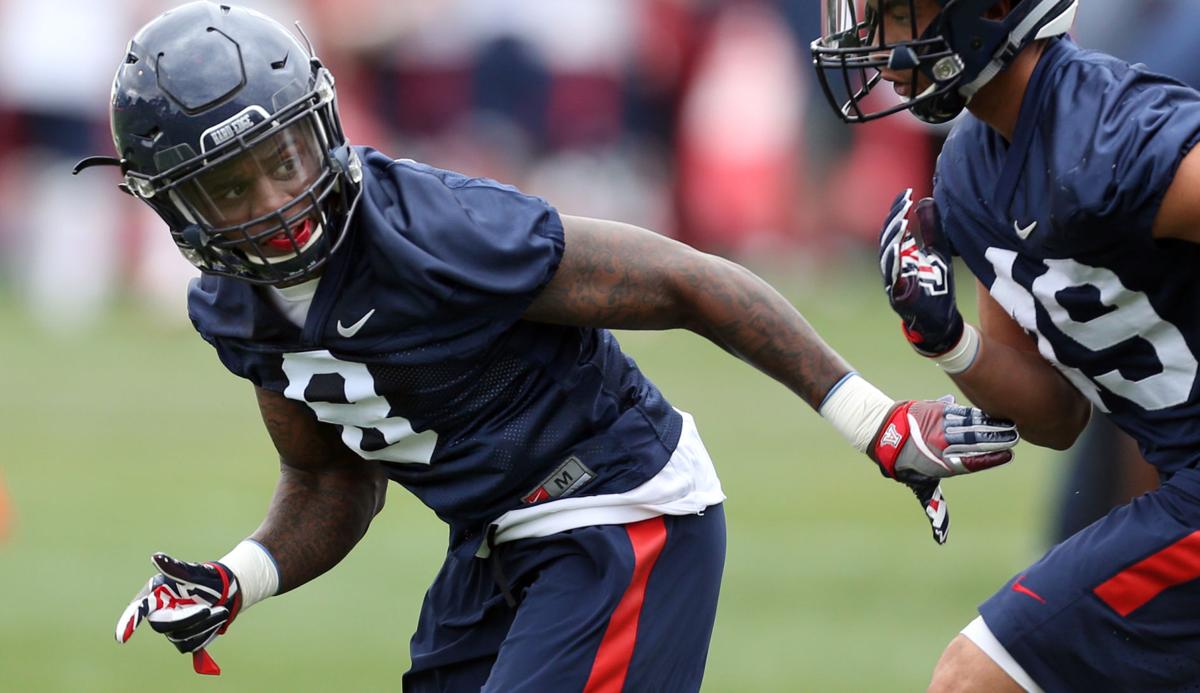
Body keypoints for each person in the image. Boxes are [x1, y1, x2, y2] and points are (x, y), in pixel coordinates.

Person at [80, 3, 1020, 690]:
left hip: (617, 509)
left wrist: (872, 420)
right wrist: (238, 577)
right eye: (231, 185)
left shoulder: (435, 230)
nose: (276, 201)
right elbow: (331, 477)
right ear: (174, 203)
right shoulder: (233, 309)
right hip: (496, 545)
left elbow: (691, 279)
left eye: (283, 156)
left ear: (323, 126)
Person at [813, 0, 1200, 690]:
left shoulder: (1110, 132)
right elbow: (1054, 415)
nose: (869, 43)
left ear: (988, 10)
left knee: (975, 677)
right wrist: (948, 339)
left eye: (893, 15)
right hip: (1183, 484)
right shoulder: (970, 171)